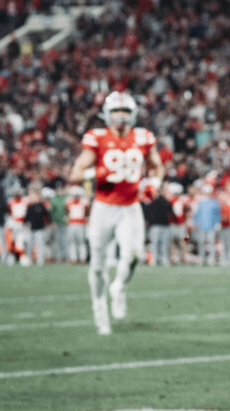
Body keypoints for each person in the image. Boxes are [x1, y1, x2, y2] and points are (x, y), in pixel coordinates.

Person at [68, 90, 164, 335]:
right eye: (116, 112)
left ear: (132, 114)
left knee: (134, 256)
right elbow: (76, 173)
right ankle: (99, 309)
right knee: (98, 266)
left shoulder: (143, 137)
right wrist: (96, 175)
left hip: (130, 206)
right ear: (107, 115)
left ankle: (119, 287)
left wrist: (154, 184)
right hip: (103, 207)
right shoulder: (96, 137)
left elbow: (157, 168)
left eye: (125, 112)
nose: (120, 117)